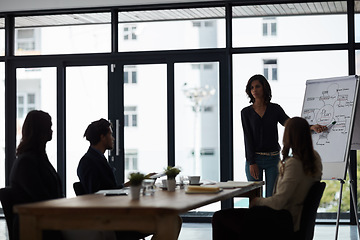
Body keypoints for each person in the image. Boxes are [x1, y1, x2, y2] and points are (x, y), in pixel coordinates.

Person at [212, 117, 323, 239]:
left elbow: (279, 202)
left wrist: (257, 201)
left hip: (283, 222)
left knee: (220, 217)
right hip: (295, 220)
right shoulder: (315, 158)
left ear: (288, 136)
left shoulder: (294, 164)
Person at [241, 74, 325, 197]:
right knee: (255, 198)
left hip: (273, 159)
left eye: (257, 86)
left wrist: (311, 127)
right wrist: (251, 162)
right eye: (251, 87)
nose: (254, 90)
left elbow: (290, 123)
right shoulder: (245, 112)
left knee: (273, 197)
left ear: (264, 88)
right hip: (254, 160)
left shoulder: (275, 109)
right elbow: (247, 138)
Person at [10, 110, 63, 240]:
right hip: (36, 226)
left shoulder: (38, 158)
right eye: (49, 127)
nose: (52, 131)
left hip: (46, 222)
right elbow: (42, 199)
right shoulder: (27, 162)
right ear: (41, 131)